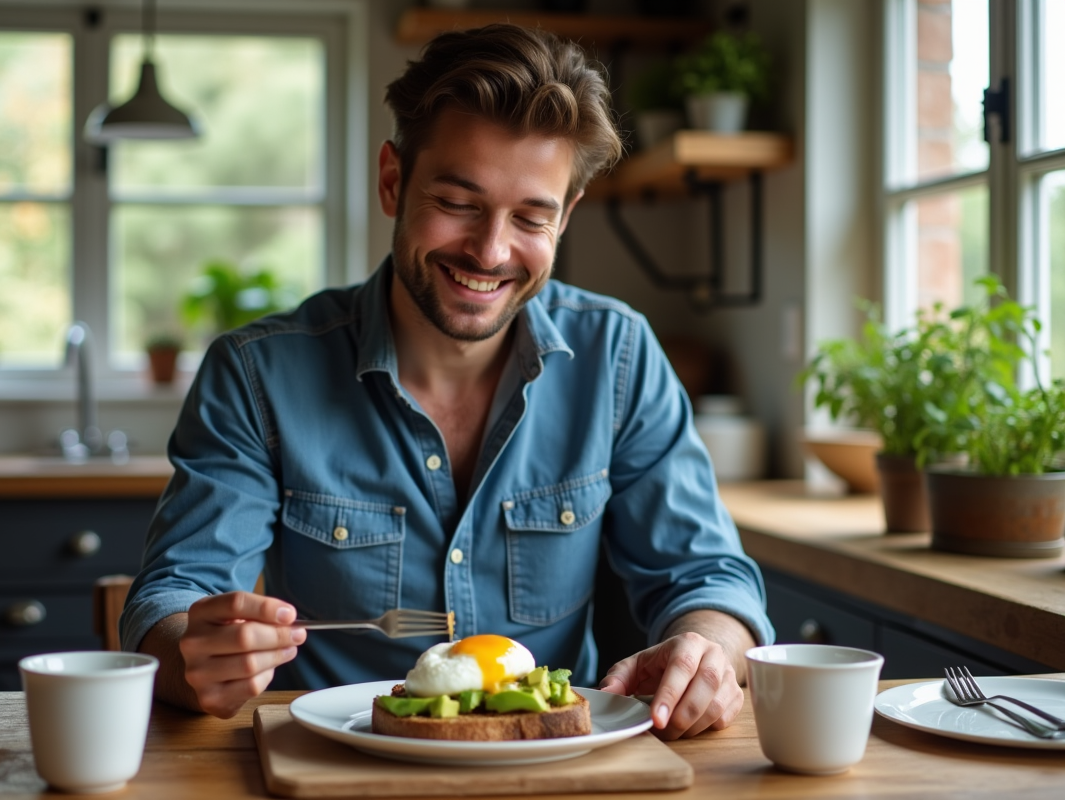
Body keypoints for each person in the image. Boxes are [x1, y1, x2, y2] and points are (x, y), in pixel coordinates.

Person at [122, 23, 774, 739]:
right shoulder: (255, 374)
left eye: (531, 216)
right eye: (458, 203)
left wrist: (710, 648)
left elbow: (707, 576)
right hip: (335, 767)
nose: (490, 251)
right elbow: (176, 594)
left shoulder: (618, 355)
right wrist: (193, 653)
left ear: (566, 218)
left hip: (555, 768)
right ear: (392, 181)